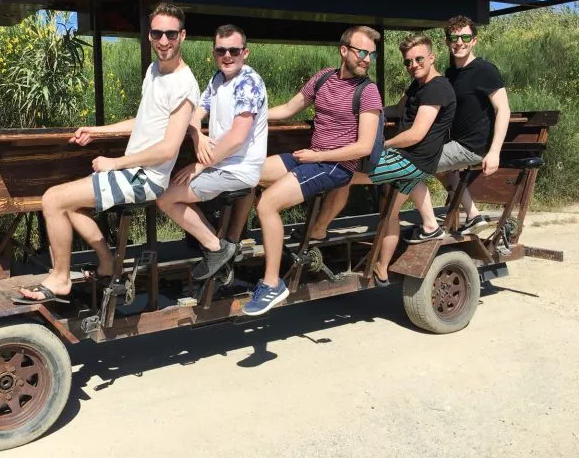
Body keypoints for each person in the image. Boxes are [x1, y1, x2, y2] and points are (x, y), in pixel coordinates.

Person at [16, 3, 200, 303]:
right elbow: (142, 121)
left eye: (170, 34)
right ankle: (106, 262)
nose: (163, 41)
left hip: (146, 178)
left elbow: (168, 148)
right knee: (70, 206)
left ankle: (60, 279)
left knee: (52, 199)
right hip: (134, 171)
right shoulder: (154, 71)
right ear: (150, 35)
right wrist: (98, 131)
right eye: (157, 33)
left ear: (182, 36)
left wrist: (116, 163)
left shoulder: (184, 84)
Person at [241, 26, 383, 316]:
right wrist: (247, 116)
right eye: (362, 52)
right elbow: (290, 108)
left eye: (372, 54)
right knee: (246, 174)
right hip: (311, 158)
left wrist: (319, 155)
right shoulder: (324, 78)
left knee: (267, 203)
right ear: (344, 50)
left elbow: (364, 147)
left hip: (336, 166)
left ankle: (271, 284)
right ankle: (229, 246)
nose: (367, 59)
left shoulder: (368, 92)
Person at [318, 34, 456, 286]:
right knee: (389, 211)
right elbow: (397, 109)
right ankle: (382, 269)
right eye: (408, 62)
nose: (413, 65)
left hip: (411, 160)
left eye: (419, 59)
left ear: (432, 57)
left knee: (344, 172)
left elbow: (416, 134)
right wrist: (366, 110)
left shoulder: (438, 88)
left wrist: (379, 144)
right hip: (414, 162)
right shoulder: (418, 85)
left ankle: (318, 229)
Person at [156, 24, 268, 279]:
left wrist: (200, 164)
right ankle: (219, 246)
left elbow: (238, 138)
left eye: (234, 51)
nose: (227, 56)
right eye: (221, 51)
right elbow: (195, 115)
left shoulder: (247, 83)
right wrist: (198, 137)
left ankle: (217, 248)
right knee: (169, 187)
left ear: (245, 53)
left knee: (164, 197)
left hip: (237, 169)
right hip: (221, 165)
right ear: (214, 52)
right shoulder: (218, 79)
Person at [406, 15, 510, 241]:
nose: (459, 42)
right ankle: (473, 215)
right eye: (454, 37)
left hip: (471, 147)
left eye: (465, 37)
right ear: (447, 41)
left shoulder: (485, 70)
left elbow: (503, 110)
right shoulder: (451, 73)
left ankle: (430, 227)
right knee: (442, 170)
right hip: (455, 143)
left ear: (474, 40)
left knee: (407, 165)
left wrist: (494, 152)